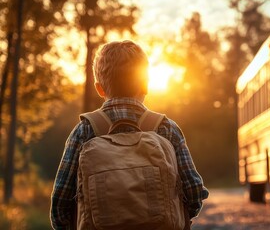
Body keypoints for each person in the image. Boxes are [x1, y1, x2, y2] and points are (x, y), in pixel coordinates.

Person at [50, 40, 209, 229]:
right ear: (145, 85)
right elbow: (194, 192)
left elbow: (60, 203)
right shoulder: (166, 129)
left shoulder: (84, 131)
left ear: (99, 88)